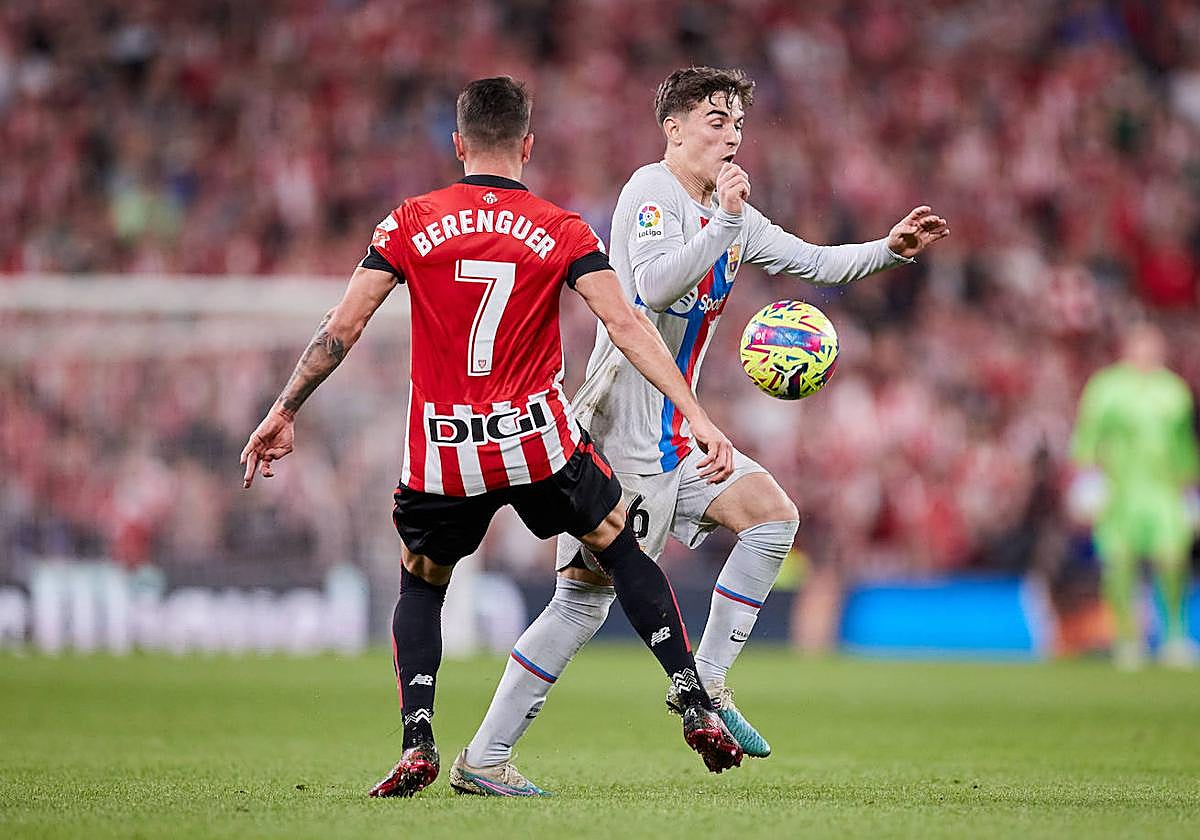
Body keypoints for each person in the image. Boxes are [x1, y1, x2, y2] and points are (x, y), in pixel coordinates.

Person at [240, 76, 746, 799]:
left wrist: (284, 408)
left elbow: (341, 328)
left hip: (443, 448)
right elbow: (627, 325)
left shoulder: (409, 222)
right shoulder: (564, 228)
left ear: (458, 144)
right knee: (617, 545)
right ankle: (692, 696)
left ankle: (418, 738)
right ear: (527, 146)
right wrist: (695, 413)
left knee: (422, 580)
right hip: (536, 439)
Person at [459, 66, 950, 788]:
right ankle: (485, 756)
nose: (732, 137)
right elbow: (653, 286)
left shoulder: (733, 216)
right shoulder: (649, 192)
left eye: (739, 125)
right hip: (622, 436)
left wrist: (889, 248)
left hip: (678, 435)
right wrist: (724, 222)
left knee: (773, 517)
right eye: (717, 122)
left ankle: (709, 681)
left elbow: (815, 262)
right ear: (675, 129)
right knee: (581, 604)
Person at [1070, 321, 1199, 670]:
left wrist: (1190, 491)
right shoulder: (1106, 388)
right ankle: (1128, 639)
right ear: (1127, 348)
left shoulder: (1174, 391)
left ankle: (1175, 637)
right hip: (1119, 492)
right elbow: (1088, 435)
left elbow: (1184, 445)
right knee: (1119, 565)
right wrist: (1088, 480)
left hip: (1163, 492)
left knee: (1172, 561)